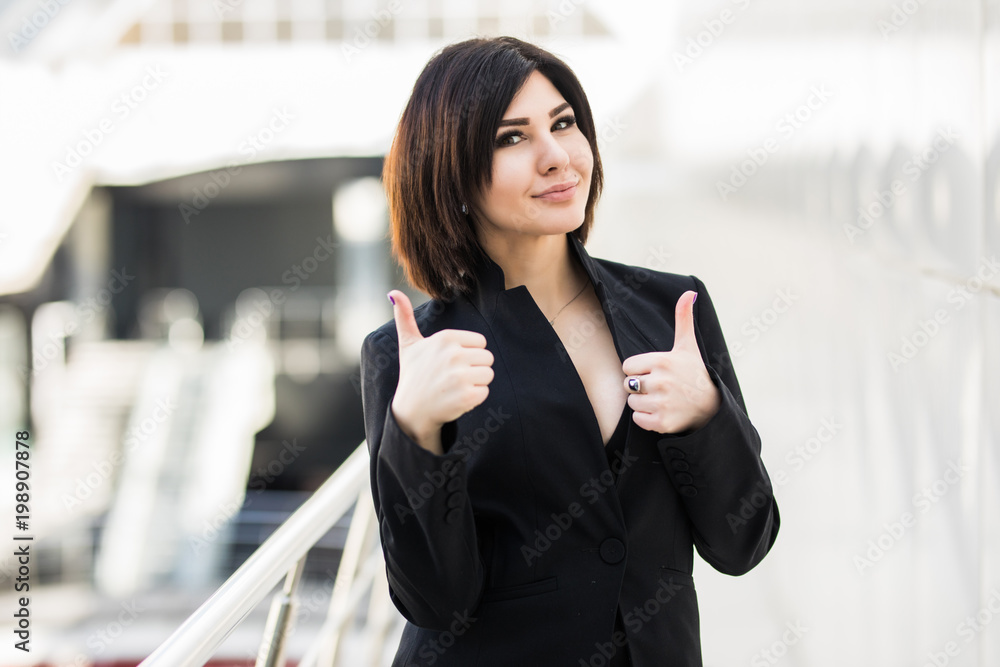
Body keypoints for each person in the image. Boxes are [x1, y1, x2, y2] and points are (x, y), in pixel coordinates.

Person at [359, 35, 779, 667]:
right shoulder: (409, 353)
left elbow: (743, 540)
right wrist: (415, 433)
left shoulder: (672, 310)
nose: (557, 157)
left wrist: (705, 417)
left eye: (564, 124)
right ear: (452, 172)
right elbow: (435, 602)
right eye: (511, 138)